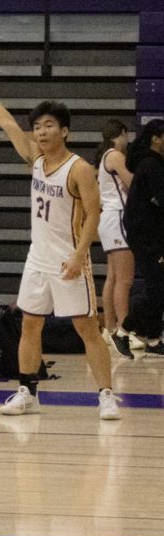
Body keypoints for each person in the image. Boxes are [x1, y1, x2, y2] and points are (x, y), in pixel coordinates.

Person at [0, 67, 119, 420]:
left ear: (64, 131)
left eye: (49, 125)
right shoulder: (35, 159)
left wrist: (80, 256)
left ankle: (106, 394)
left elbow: (93, 214)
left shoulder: (79, 169)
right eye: (38, 126)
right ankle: (28, 392)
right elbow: (6, 124)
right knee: (29, 325)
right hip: (38, 259)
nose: (42, 131)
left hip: (70, 259)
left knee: (87, 329)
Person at [93, 120, 136, 359]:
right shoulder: (115, 155)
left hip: (109, 218)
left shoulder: (104, 156)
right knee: (125, 280)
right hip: (118, 217)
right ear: (123, 134)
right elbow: (133, 184)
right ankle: (123, 331)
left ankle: (110, 329)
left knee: (113, 277)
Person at [122, 119, 164, 357]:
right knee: (156, 288)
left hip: (151, 234)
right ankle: (123, 330)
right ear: (156, 138)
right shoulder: (150, 165)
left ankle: (154, 339)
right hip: (146, 236)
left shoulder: (154, 164)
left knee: (159, 287)